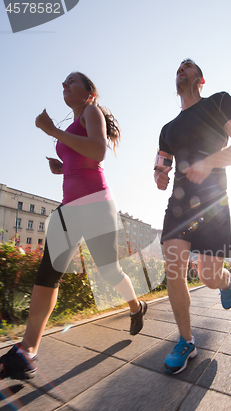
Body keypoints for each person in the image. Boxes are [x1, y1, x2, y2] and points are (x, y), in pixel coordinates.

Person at [0, 72, 147, 381]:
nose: (64, 86)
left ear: (88, 93)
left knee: (108, 271)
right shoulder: (70, 127)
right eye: (63, 83)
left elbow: (97, 152)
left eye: (71, 82)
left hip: (96, 204)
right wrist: (62, 167)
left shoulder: (93, 112)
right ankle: (28, 350)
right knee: (48, 274)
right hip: (69, 208)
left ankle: (136, 306)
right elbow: (81, 159)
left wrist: (52, 130)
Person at [154, 59, 231, 374]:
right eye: (178, 68)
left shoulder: (218, 103)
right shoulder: (167, 130)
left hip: (214, 203)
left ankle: (224, 281)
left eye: (188, 67)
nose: (181, 69)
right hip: (180, 206)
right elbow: (161, 165)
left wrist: (211, 161)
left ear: (201, 79)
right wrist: (159, 176)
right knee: (175, 267)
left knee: (208, 276)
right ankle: (186, 341)